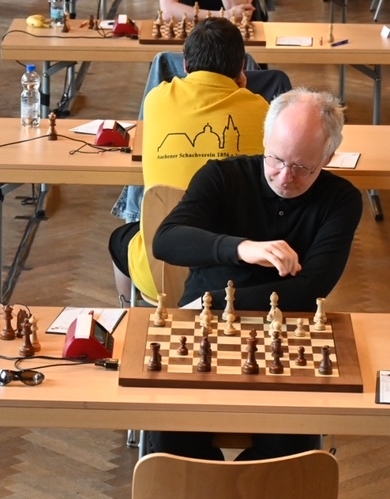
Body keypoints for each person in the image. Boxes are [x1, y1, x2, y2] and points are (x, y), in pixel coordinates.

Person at [146, 88, 362, 460]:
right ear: (264, 139)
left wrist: (216, 304)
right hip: (202, 326)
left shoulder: (341, 200)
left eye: (301, 167)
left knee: (289, 450)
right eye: (276, 159)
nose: (284, 176)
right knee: (173, 438)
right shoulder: (222, 176)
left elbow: (312, 289)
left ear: (327, 157)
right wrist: (241, 247)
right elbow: (166, 241)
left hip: (286, 335)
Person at [107, 18, 270, 303]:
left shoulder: (156, 100)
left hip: (160, 268)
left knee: (120, 238)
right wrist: (243, 88)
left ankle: (129, 314)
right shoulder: (262, 109)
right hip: (235, 269)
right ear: (242, 67)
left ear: (185, 65)